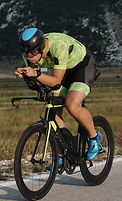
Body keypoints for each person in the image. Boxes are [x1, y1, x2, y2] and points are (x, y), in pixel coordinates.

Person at [15, 27, 101, 169]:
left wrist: (36, 74)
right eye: (26, 52)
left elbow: (55, 81)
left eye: (33, 52)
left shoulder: (58, 46)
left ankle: (94, 137)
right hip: (63, 70)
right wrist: (26, 75)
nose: (29, 56)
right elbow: (37, 76)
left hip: (82, 66)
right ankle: (62, 156)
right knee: (53, 111)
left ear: (42, 48)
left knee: (72, 105)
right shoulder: (29, 53)